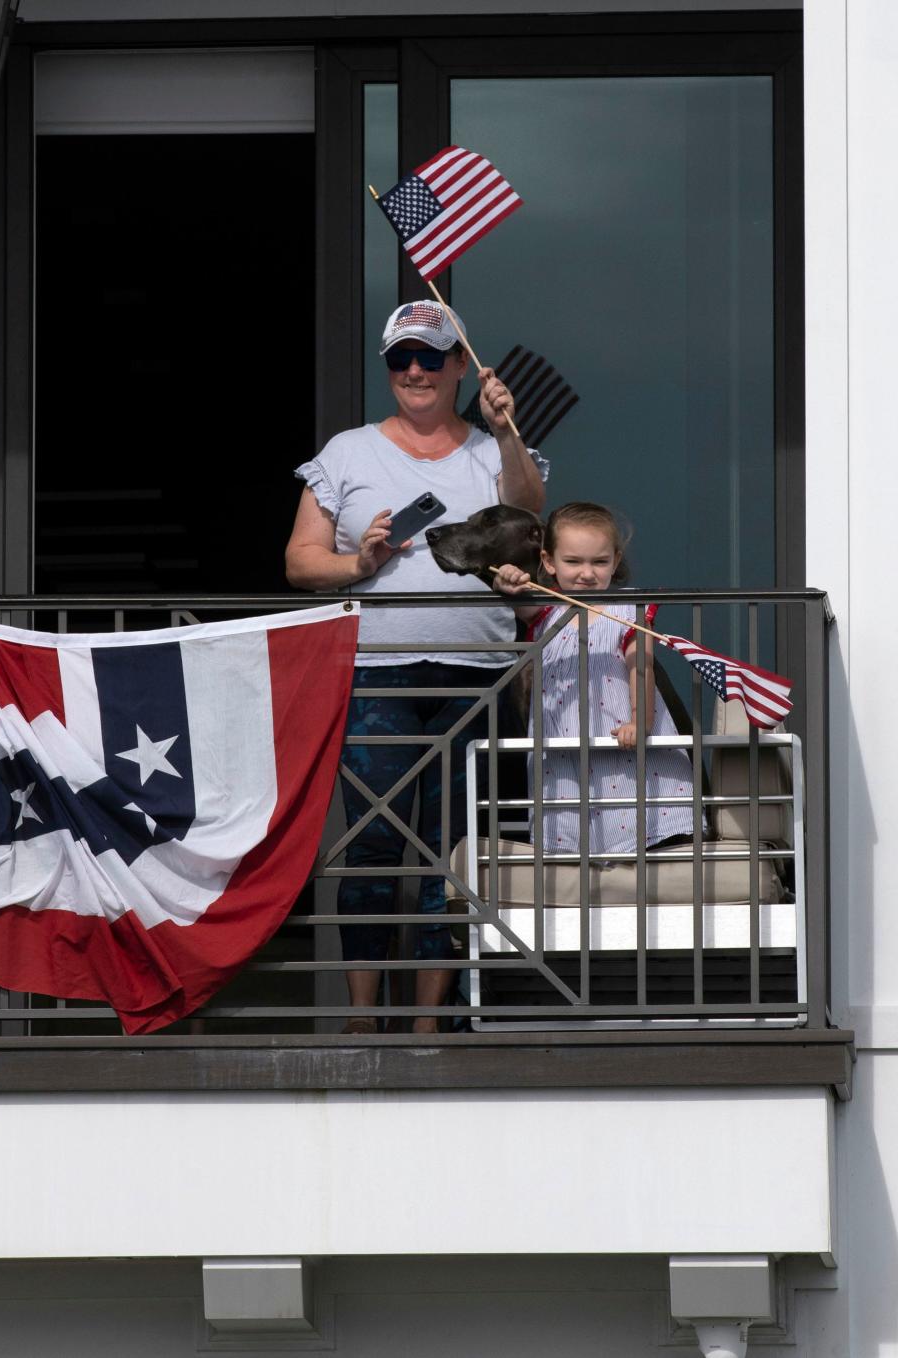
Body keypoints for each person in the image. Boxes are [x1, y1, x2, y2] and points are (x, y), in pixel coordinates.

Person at [285, 300, 547, 1032]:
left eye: (431, 357)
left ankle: (432, 1021)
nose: (415, 371)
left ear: (461, 365)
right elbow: (298, 562)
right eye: (401, 357)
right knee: (371, 845)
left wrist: (506, 432)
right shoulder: (348, 451)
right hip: (378, 673)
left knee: (455, 851)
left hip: (478, 673)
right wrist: (356, 561)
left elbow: (530, 518)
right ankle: (365, 1017)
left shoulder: (496, 448)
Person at [492, 501, 702, 857]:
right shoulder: (545, 610)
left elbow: (643, 666)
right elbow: (519, 600)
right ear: (548, 562)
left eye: (599, 562)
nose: (586, 573)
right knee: (569, 837)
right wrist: (506, 581)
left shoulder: (628, 610)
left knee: (638, 826)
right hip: (564, 749)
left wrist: (641, 719)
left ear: (615, 562)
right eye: (573, 562)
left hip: (624, 742)